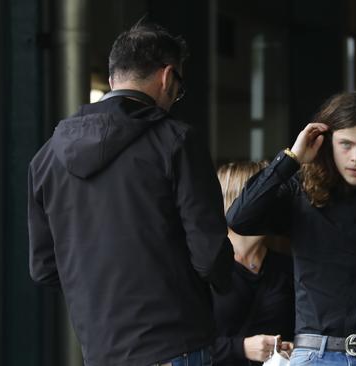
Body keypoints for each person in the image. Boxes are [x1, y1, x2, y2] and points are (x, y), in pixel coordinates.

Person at [28, 21, 234, 366]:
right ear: (168, 77)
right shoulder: (176, 141)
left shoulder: (46, 157)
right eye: (178, 88)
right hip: (175, 343)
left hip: (101, 350)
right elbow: (209, 254)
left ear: (113, 80)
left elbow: (44, 268)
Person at [226, 91, 356, 366]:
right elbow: (240, 218)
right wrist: (291, 158)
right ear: (326, 142)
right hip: (316, 355)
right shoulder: (301, 192)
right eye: (346, 144)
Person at [213, 161, 295, 366]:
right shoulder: (203, 266)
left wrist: (296, 348)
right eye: (266, 195)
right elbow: (180, 346)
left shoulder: (287, 267)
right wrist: (241, 348)